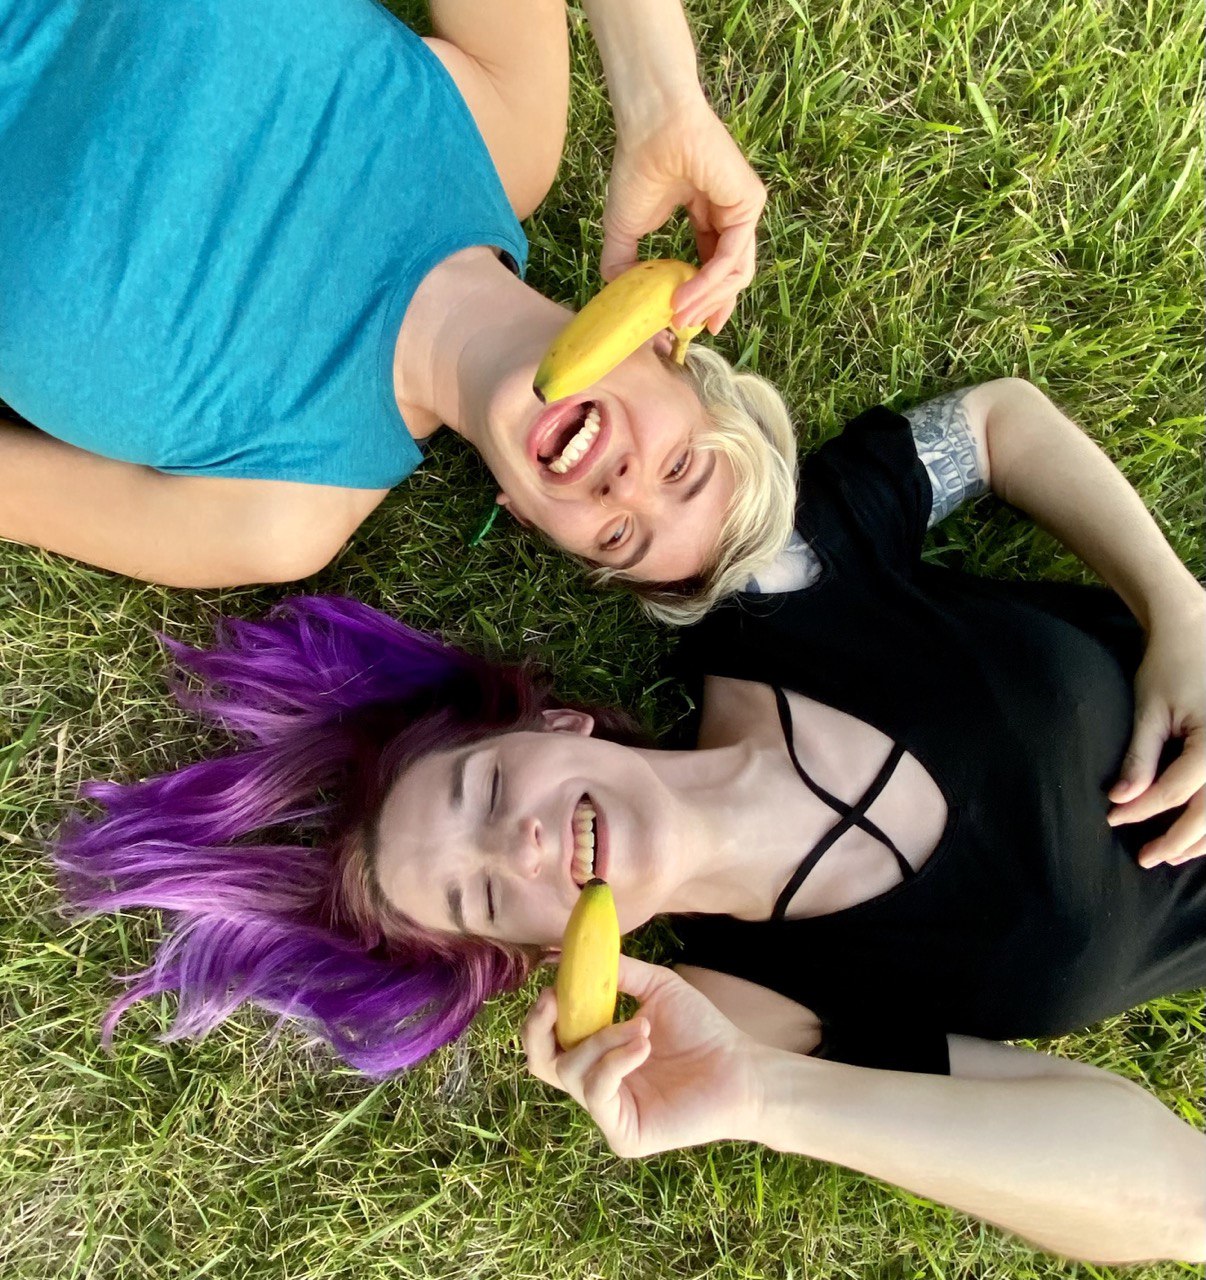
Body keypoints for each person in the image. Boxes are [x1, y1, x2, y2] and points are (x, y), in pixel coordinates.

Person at [55, 378, 1205, 1262]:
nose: (522, 844)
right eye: (486, 894)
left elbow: (998, 424)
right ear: (550, 956)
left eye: (489, 791)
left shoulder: (772, 592)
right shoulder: (755, 1012)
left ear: (558, 724)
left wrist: (1176, 607)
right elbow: (1178, 1195)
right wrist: (765, 1099)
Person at [0, 0, 792, 620]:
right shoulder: (507, 127)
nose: (625, 489)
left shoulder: (279, 513)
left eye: (620, 538)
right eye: (680, 466)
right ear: (664, 341)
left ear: (523, 516)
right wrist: (662, 98)